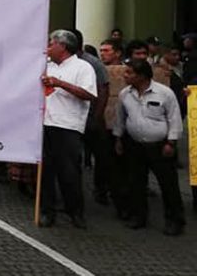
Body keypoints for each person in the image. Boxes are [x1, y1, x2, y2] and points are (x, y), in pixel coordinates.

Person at [113, 59, 186, 236]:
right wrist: (118, 139)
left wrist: (171, 142)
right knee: (136, 182)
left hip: (160, 146)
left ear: (142, 76)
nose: (125, 75)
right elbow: (120, 118)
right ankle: (139, 216)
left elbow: (174, 119)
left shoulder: (164, 93)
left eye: (129, 73)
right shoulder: (125, 94)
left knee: (168, 185)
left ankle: (175, 220)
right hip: (135, 145)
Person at [39, 30, 97, 229]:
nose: (47, 47)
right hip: (45, 123)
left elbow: (89, 94)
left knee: (69, 173)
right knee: (45, 171)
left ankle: (75, 212)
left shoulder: (83, 67)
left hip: (68, 126)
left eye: (51, 44)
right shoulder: (45, 66)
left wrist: (60, 83)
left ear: (62, 46)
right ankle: (47, 211)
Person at [70, 29, 110, 203]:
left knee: (102, 157)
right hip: (70, 119)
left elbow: (103, 90)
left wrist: (97, 116)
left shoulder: (93, 63)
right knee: (71, 158)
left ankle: (101, 190)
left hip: (91, 118)